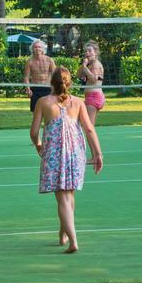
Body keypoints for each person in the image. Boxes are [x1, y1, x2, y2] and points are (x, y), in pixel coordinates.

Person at [32, 67, 103, 253]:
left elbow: (33, 132)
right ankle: (63, 233)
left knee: (63, 196)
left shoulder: (43, 102)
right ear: (69, 83)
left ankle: (73, 240)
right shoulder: (78, 102)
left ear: (51, 82)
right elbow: (89, 129)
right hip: (75, 151)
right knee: (68, 194)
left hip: (54, 151)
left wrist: (38, 144)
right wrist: (97, 154)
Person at [24, 40, 56, 120]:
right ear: (32, 49)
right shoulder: (29, 62)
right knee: (36, 115)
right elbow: (26, 77)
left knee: (49, 114)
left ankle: (48, 132)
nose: (37, 49)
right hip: (35, 89)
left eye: (39, 47)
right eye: (35, 47)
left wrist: (56, 89)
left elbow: (55, 75)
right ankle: (36, 132)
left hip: (47, 89)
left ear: (42, 49)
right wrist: (28, 89)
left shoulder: (49, 60)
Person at [78, 40, 105, 126]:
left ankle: (91, 140)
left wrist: (85, 69)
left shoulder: (96, 64)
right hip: (91, 97)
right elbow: (78, 75)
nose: (87, 53)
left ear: (96, 52)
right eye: (86, 51)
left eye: (90, 51)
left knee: (89, 125)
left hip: (94, 97)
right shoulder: (89, 65)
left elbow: (94, 80)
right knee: (83, 123)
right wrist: (84, 66)